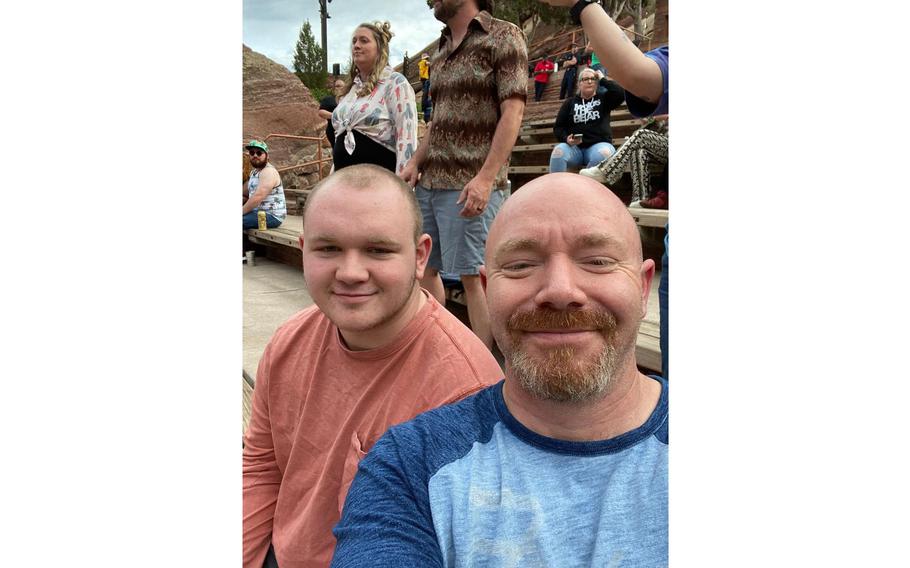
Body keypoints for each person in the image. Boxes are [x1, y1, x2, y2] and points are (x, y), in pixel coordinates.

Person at [331, 173, 667, 567]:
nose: (560, 291)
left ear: (643, 288)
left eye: (597, 261)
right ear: (488, 290)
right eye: (522, 265)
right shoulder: (407, 469)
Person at [242, 164, 503, 568]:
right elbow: (261, 465)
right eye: (328, 249)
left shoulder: (466, 390)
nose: (350, 272)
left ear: (420, 257)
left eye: (378, 250)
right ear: (303, 247)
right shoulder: (288, 342)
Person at [540, 0, 669, 377]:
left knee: (608, 150)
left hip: (598, 147)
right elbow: (558, 130)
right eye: (584, 81)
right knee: (560, 151)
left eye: (589, 81)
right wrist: (568, 136)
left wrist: (599, 78)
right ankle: (557, 201)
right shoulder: (569, 103)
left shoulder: (604, 95)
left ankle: (604, 196)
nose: (587, 85)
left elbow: (625, 82)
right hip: (577, 146)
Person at [399, 0, 528, 350]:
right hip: (430, 182)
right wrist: (415, 161)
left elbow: (513, 110)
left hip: (471, 183)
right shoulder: (439, 52)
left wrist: (486, 178)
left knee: (476, 277)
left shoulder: (503, 36)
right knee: (424, 269)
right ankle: (440, 350)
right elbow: (438, 119)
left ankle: (483, 370)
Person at [331, 21, 418, 175]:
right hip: (343, 185)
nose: (356, 45)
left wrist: (402, 191)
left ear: (380, 49)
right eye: (354, 41)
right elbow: (340, 143)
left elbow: (406, 141)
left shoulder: (395, 83)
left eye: (364, 41)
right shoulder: (349, 90)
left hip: (378, 185)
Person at [549, 67, 625, 173]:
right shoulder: (569, 103)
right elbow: (558, 127)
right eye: (586, 79)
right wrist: (566, 138)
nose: (590, 81)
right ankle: (556, 188)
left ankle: (585, 187)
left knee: (604, 154)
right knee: (558, 152)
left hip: (599, 145)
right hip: (574, 148)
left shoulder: (603, 99)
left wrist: (603, 79)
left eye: (593, 78)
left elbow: (620, 93)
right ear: (579, 83)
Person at [582, 114, 669, 206]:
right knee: (638, 151)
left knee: (641, 135)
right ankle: (640, 199)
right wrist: (651, 121)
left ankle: (607, 171)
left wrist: (654, 118)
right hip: (662, 145)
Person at [242, 140, 286, 230]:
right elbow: (244, 194)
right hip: (257, 213)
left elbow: (258, 196)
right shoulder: (254, 172)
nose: (255, 155)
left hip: (271, 216)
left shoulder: (269, 171)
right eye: (252, 152)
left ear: (267, 156)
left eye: (259, 153)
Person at [317, 78, 346, 145]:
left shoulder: (348, 99)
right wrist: (335, 116)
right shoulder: (329, 99)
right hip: (333, 131)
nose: (339, 88)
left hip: (347, 131)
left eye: (342, 86)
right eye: (337, 86)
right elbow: (321, 112)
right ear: (334, 88)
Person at [418, 52, 431, 120]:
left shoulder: (420, 63)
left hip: (422, 79)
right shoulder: (425, 61)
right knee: (427, 92)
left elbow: (420, 72)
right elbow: (429, 64)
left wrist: (420, 78)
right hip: (426, 78)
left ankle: (423, 108)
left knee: (424, 92)